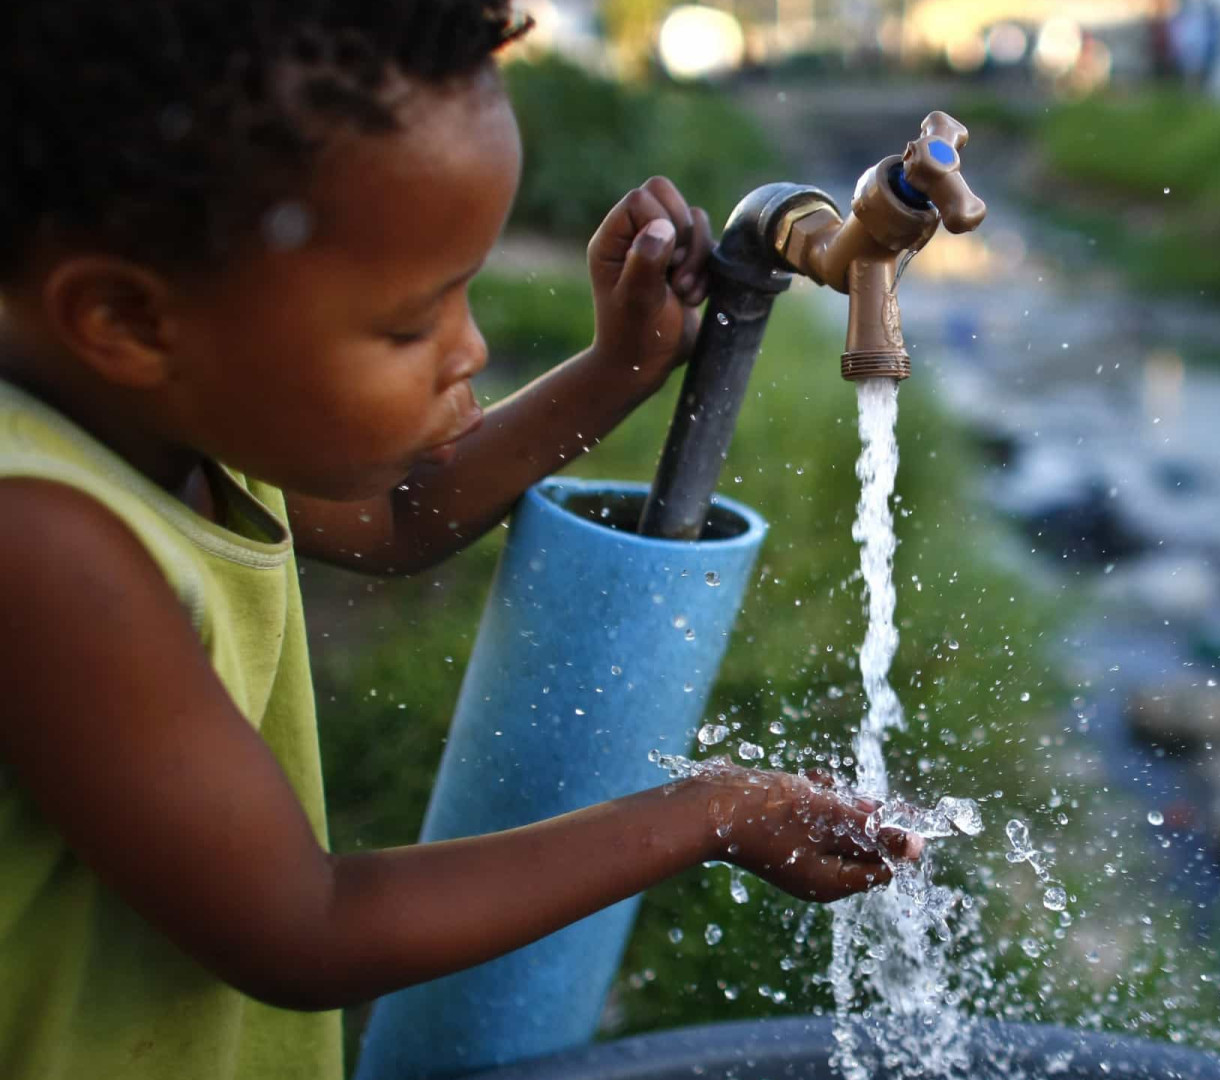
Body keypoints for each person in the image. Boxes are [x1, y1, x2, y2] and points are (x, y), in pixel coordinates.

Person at [0, 3, 923, 1078]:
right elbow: (303, 926)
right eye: (410, 323)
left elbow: (400, 519)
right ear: (125, 320)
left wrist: (620, 365)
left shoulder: (173, 409)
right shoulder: (39, 540)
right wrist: (711, 811)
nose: (471, 346)